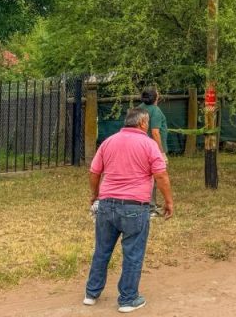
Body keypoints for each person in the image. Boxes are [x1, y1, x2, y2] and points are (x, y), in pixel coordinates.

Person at [84, 107, 174, 313]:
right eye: (147, 122)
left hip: (106, 204)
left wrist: (95, 195)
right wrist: (168, 201)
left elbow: (94, 172)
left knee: (102, 250)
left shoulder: (108, 142)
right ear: (142, 123)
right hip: (135, 207)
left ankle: (91, 293)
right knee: (133, 253)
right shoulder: (149, 144)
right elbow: (161, 175)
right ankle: (128, 298)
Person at [138, 86, 168, 217]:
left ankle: (147, 203)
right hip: (152, 149)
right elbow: (155, 132)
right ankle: (150, 208)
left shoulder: (139, 108)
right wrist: (161, 152)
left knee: (143, 176)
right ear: (155, 97)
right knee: (153, 177)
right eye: (157, 93)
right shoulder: (155, 110)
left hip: (139, 147)